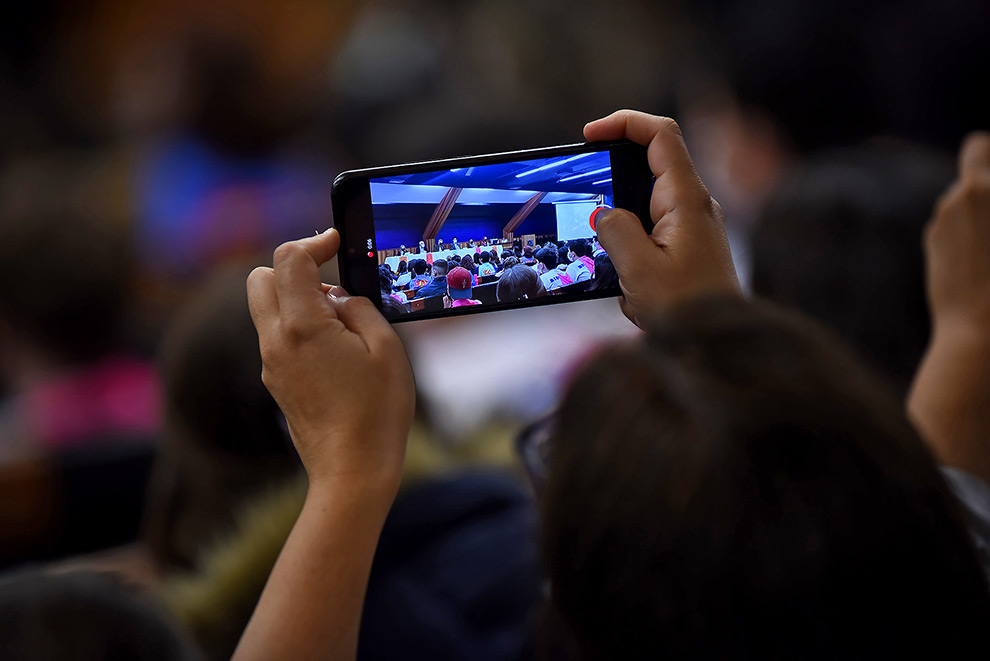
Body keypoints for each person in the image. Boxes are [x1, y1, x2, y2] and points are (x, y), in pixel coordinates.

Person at [237, 112, 990, 659]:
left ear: (562, 590)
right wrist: (711, 324)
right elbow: (930, 530)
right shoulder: (924, 595)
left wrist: (347, 474)